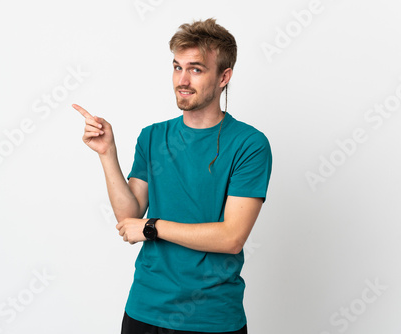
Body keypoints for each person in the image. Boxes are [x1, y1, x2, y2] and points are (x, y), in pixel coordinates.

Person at [73, 18, 272, 334]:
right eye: (177, 67)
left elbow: (231, 237)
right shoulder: (152, 137)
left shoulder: (249, 144)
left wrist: (153, 228)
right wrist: (107, 154)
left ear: (224, 76)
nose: (182, 79)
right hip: (144, 310)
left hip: (211, 316)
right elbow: (129, 217)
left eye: (195, 69)